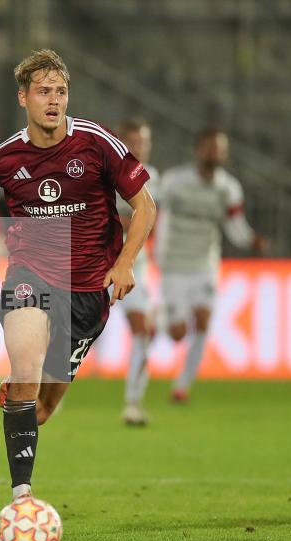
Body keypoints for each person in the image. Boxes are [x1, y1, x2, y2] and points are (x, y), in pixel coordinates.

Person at [0, 49, 156, 503]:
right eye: (43, 91)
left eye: (60, 91)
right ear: (23, 98)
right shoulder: (5, 157)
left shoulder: (97, 143)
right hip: (29, 277)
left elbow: (145, 206)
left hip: (88, 293)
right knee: (26, 369)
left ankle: (23, 400)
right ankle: (22, 496)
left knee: (43, 407)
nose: (54, 100)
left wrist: (125, 262)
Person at [156, 126, 265, 403]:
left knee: (203, 322)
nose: (215, 153)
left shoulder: (228, 188)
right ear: (198, 150)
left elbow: (234, 226)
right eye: (210, 147)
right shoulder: (174, 182)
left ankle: (182, 386)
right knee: (178, 334)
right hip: (173, 264)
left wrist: (251, 241)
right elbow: (153, 212)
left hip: (205, 263)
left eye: (220, 148)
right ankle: (157, 316)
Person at [115, 118, 160, 426]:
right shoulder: (106, 171)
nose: (138, 148)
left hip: (133, 270)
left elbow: (151, 221)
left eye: (142, 142)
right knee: (68, 334)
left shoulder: (153, 178)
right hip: (98, 266)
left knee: (143, 331)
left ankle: (133, 403)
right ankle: (46, 394)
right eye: (132, 142)